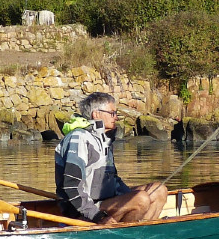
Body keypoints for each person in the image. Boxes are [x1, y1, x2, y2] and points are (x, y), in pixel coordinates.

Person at [54, 92, 168, 224]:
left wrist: (127, 197)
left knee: (159, 190)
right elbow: (71, 186)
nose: (116, 117)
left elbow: (113, 180)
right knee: (141, 199)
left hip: (106, 201)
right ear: (96, 114)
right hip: (82, 211)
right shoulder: (79, 138)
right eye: (112, 113)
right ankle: (124, 237)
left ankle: (141, 234)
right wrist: (97, 216)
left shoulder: (104, 139)